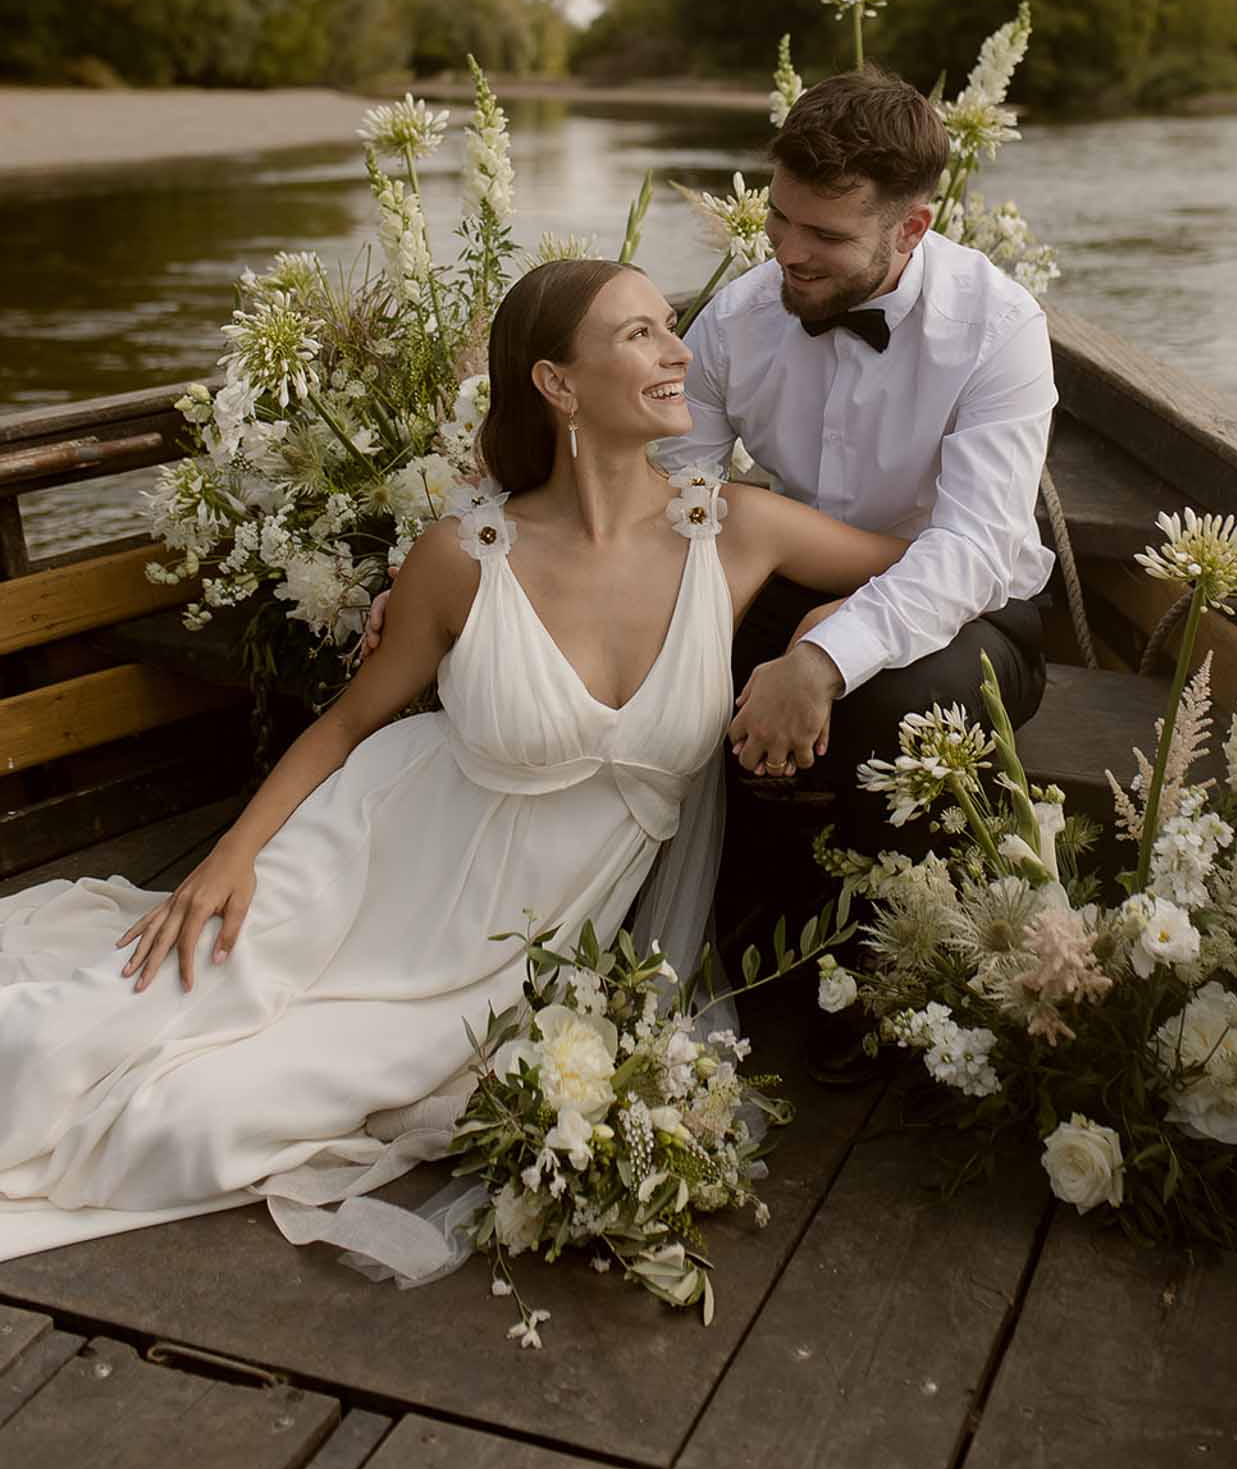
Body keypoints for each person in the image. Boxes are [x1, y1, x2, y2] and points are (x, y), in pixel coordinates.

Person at [0, 259, 907, 1274]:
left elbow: (920, 562)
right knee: (54, 1045)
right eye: (639, 334)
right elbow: (346, 724)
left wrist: (819, 649)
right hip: (370, 863)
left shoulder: (733, 527)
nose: (677, 351)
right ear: (558, 384)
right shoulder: (464, 554)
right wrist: (231, 856)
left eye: (669, 327)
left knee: (192, 1122)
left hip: (510, 950)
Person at [651, 67, 1057, 1027]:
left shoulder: (1000, 329)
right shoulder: (738, 319)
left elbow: (972, 548)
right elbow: (667, 496)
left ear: (911, 229)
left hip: (974, 611)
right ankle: (740, 915)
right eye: (779, 221)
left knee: (902, 701)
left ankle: (873, 980)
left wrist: (831, 653)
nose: (788, 253)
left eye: (824, 236)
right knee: (683, 655)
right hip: (797, 573)